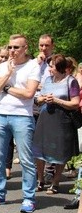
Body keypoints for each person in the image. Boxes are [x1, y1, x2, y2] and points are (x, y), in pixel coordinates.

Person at [0, 34, 40, 213]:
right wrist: (8, 73)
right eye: (10, 47)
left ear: (25, 48)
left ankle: (29, 198)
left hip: (22, 116)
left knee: (25, 159)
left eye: (16, 47)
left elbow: (29, 93)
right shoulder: (3, 66)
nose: (12, 51)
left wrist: (7, 87)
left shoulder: (33, 66)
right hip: (1, 114)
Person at [33, 54, 80, 194]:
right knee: (39, 151)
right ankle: (40, 180)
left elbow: (75, 103)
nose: (49, 69)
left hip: (62, 121)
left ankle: (55, 182)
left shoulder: (71, 81)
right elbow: (38, 98)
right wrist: (42, 99)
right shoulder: (47, 80)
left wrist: (56, 100)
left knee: (60, 152)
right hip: (45, 119)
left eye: (52, 66)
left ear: (59, 67)